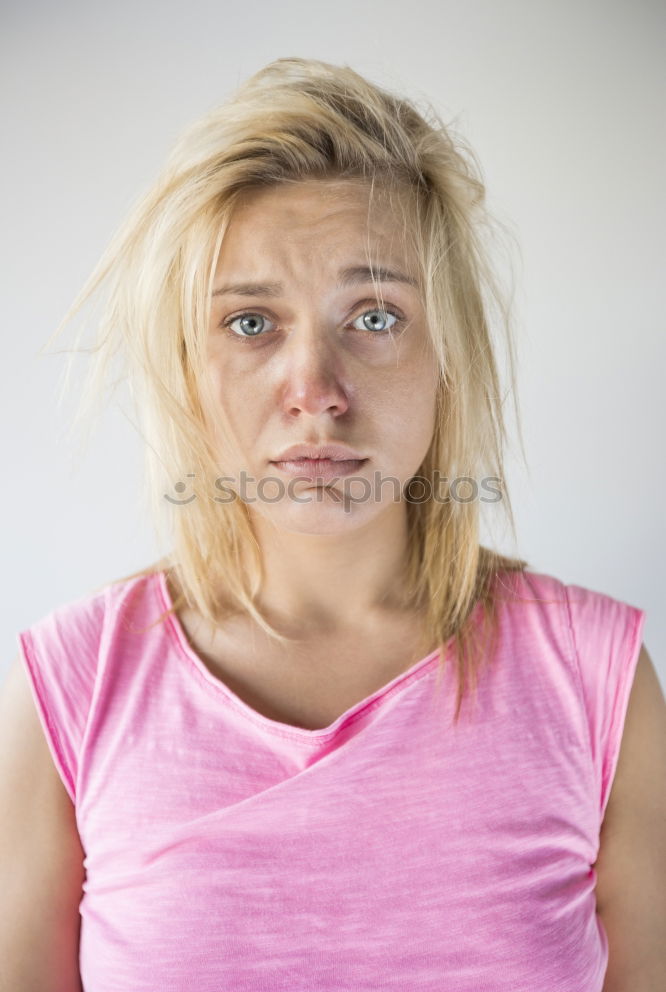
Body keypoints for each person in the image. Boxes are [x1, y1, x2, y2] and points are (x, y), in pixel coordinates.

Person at [1, 57, 664, 992]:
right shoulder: (67, 692)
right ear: (188, 368)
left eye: (375, 315)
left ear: (450, 360)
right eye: (250, 325)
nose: (314, 391)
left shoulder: (598, 683)